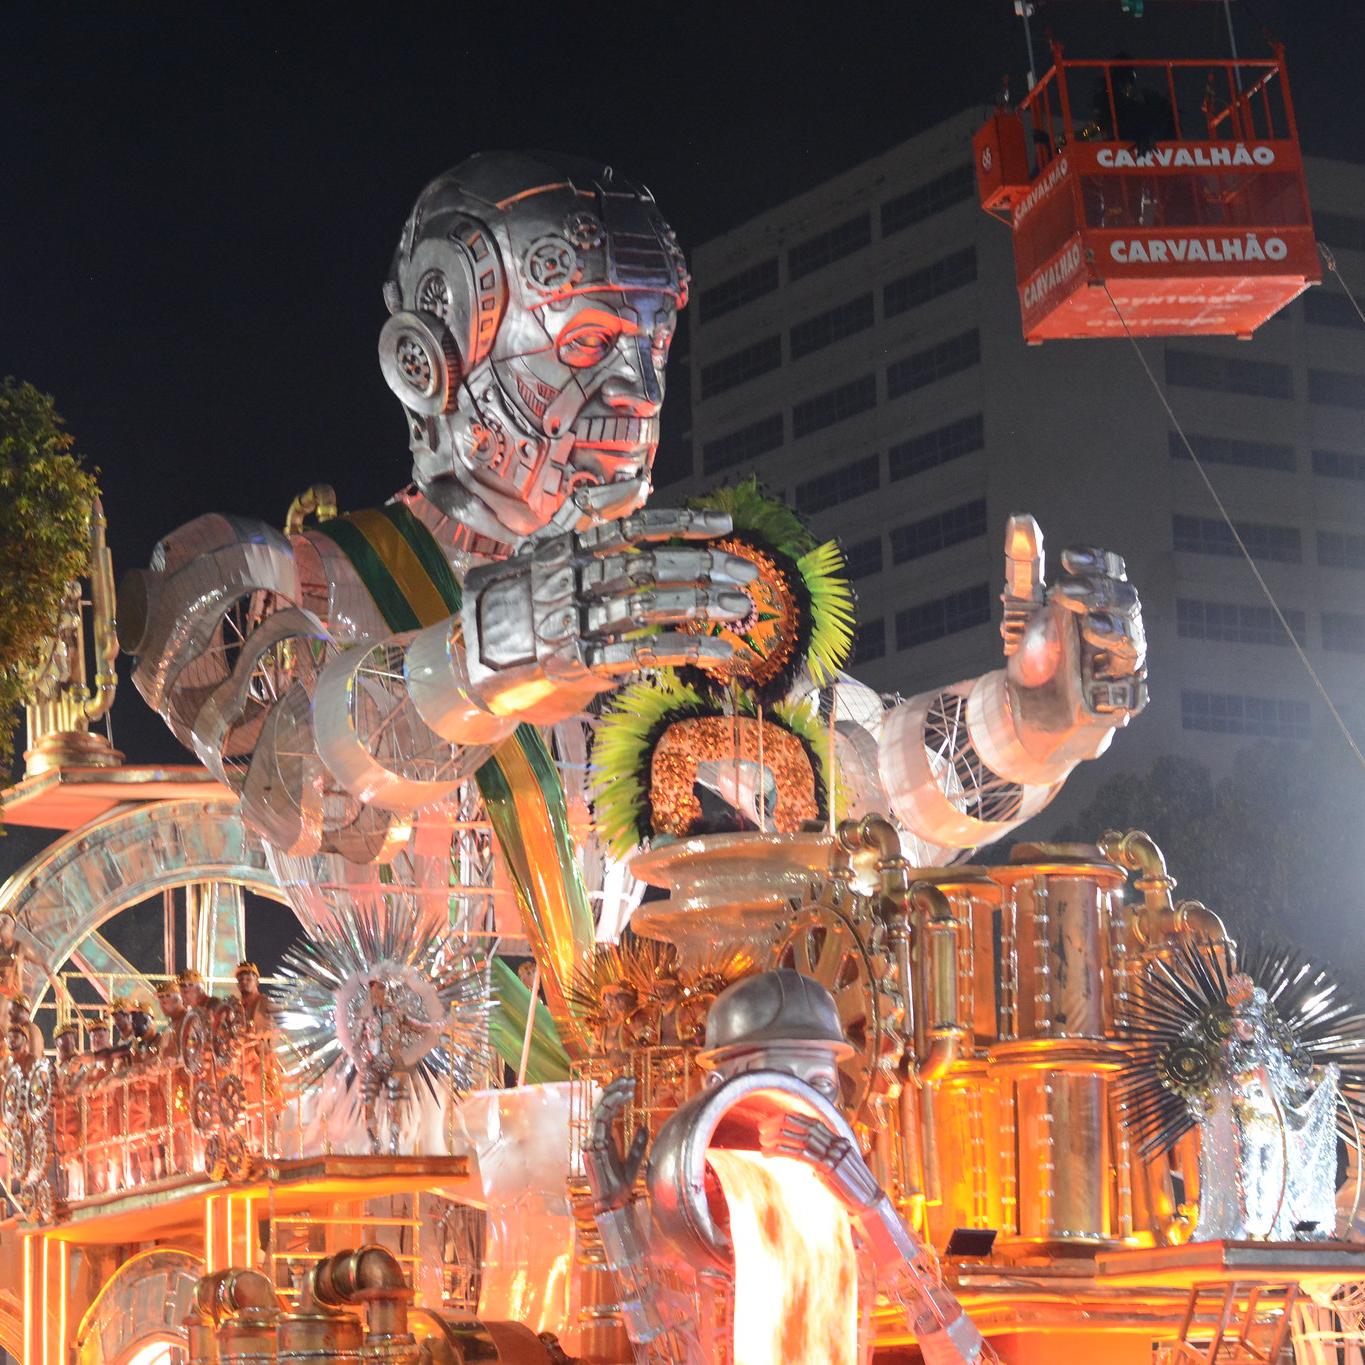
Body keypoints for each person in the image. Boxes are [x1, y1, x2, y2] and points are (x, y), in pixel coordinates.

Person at [122, 152, 1146, 1142]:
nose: (639, 390)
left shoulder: (649, 606)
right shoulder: (277, 579)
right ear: (429, 357)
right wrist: (500, 650)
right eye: (585, 344)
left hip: (604, 1119)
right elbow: (301, 784)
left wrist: (1028, 724)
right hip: (374, 1138)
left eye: (654, 343)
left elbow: (872, 794)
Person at [585, 970, 988, 1365]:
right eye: (774, 1080)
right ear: (717, 1087)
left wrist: (870, 1205)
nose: (797, 1107)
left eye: (821, 1086)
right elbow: (664, 1351)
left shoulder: (852, 1241)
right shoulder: (693, 1236)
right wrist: (617, 1219)